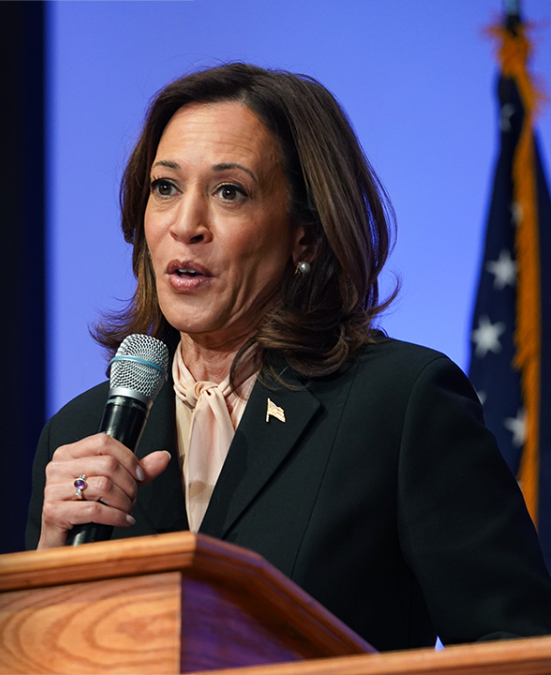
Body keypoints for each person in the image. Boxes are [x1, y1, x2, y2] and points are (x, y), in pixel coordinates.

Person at [27, 62, 551, 652]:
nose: (185, 225)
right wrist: (50, 558)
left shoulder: (399, 404)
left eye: (229, 192)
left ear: (306, 233)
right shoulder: (80, 435)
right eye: (165, 187)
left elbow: (514, 647)